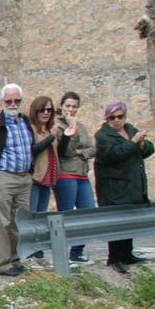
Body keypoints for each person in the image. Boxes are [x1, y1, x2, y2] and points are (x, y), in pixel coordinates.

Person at [0, 83, 35, 277]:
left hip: (24, 178)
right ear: (2, 102)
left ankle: (16, 260)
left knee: (20, 223)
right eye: (8, 101)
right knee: (2, 224)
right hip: (4, 178)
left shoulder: (25, 122)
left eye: (16, 100)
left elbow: (31, 148)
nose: (12, 104)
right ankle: (3, 265)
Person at [94, 101, 155, 274]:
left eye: (120, 116)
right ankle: (115, 258)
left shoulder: (130, 129)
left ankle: (127, 254)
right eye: (112, 117)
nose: (116, 120)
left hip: (132, 185)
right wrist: (134, 142)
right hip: (114, 186)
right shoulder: (103, 135)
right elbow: (112, 155)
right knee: (116, 221)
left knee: (129, 220)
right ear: (107, 119)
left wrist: (142, 144)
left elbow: (149, 149)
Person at [53, 92, 97, 265]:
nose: (71, 110)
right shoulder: (57, 126)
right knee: (66, 215)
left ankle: (77, 252)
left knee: (88, 211)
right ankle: (62, 254)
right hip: (65, 174)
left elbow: (93, 149)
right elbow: (67, 151)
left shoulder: (81, 126)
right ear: (62, 106)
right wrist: (71, 132)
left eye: (74, 106)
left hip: (82, 174)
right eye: (68, 106)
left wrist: (82, 153)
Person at [22, 95, 63, 262]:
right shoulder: (31, 129)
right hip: (35, 177)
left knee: (41, 215)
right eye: (42, 110)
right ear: (35, 111)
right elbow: (33, 149)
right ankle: (30, 248)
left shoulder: (50, 129)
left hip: (48, 178)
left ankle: (37, 248)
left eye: (49, 110)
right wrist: (51, 137)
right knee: (32, 214)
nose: (46, 113)